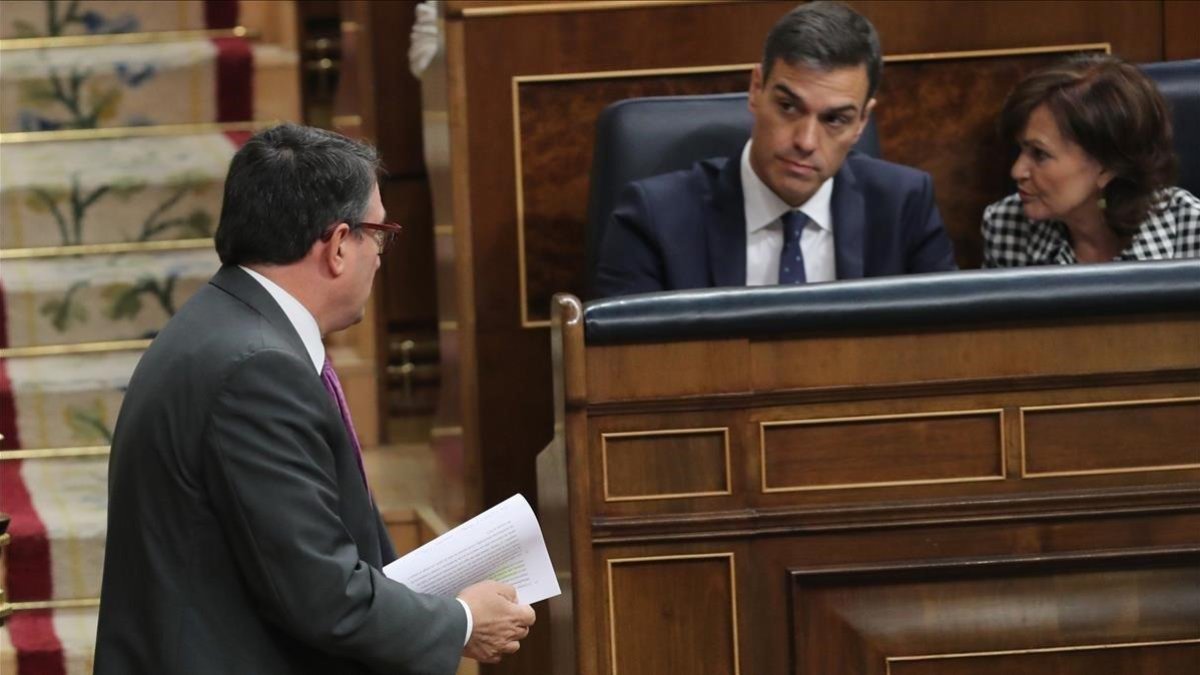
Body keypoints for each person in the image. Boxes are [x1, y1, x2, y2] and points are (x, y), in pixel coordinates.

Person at [94, 124, 534, 675]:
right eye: (380, 233)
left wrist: (431, 601)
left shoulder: (232, 327)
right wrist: (462, 621)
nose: (381, 254)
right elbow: (319, 594)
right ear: (337, 245)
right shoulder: (257, 369)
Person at [592, 1, 957, 298]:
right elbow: (625, 376)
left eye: (835, 120)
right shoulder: (653, 218)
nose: (806, 142)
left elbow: (944, 355)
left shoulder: (904, 205)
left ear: (862, 122)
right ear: (756, 89)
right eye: (788, 107)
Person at [983, 55, 1200, 265]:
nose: (1017, 171)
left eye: (1040, 154)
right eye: (1020, 149)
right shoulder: (1007, 225)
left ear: (1107, 165)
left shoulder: (1192, 230)